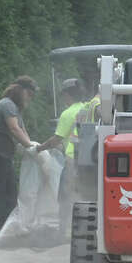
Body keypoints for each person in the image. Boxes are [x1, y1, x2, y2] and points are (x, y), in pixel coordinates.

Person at [0, 76, 42, 245]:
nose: (29, 98)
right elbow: (14, 129)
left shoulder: (15, 109)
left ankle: (5, 236)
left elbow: (23, 131)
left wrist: (33, 149)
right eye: (29, 94)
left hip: (4, 157)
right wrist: (30, 147)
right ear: (19, 90)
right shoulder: (7, 104)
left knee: (10, 197)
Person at [36, 78, 87, 232]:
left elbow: (56, 139)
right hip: (90, 160)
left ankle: (63, 232)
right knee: (84, 195)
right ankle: (84, 229)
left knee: (65, 196)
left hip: (72, 160)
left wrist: (40, 148)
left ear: (68, 95)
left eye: (64, 95)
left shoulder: (67, 113)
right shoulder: (87, 108)